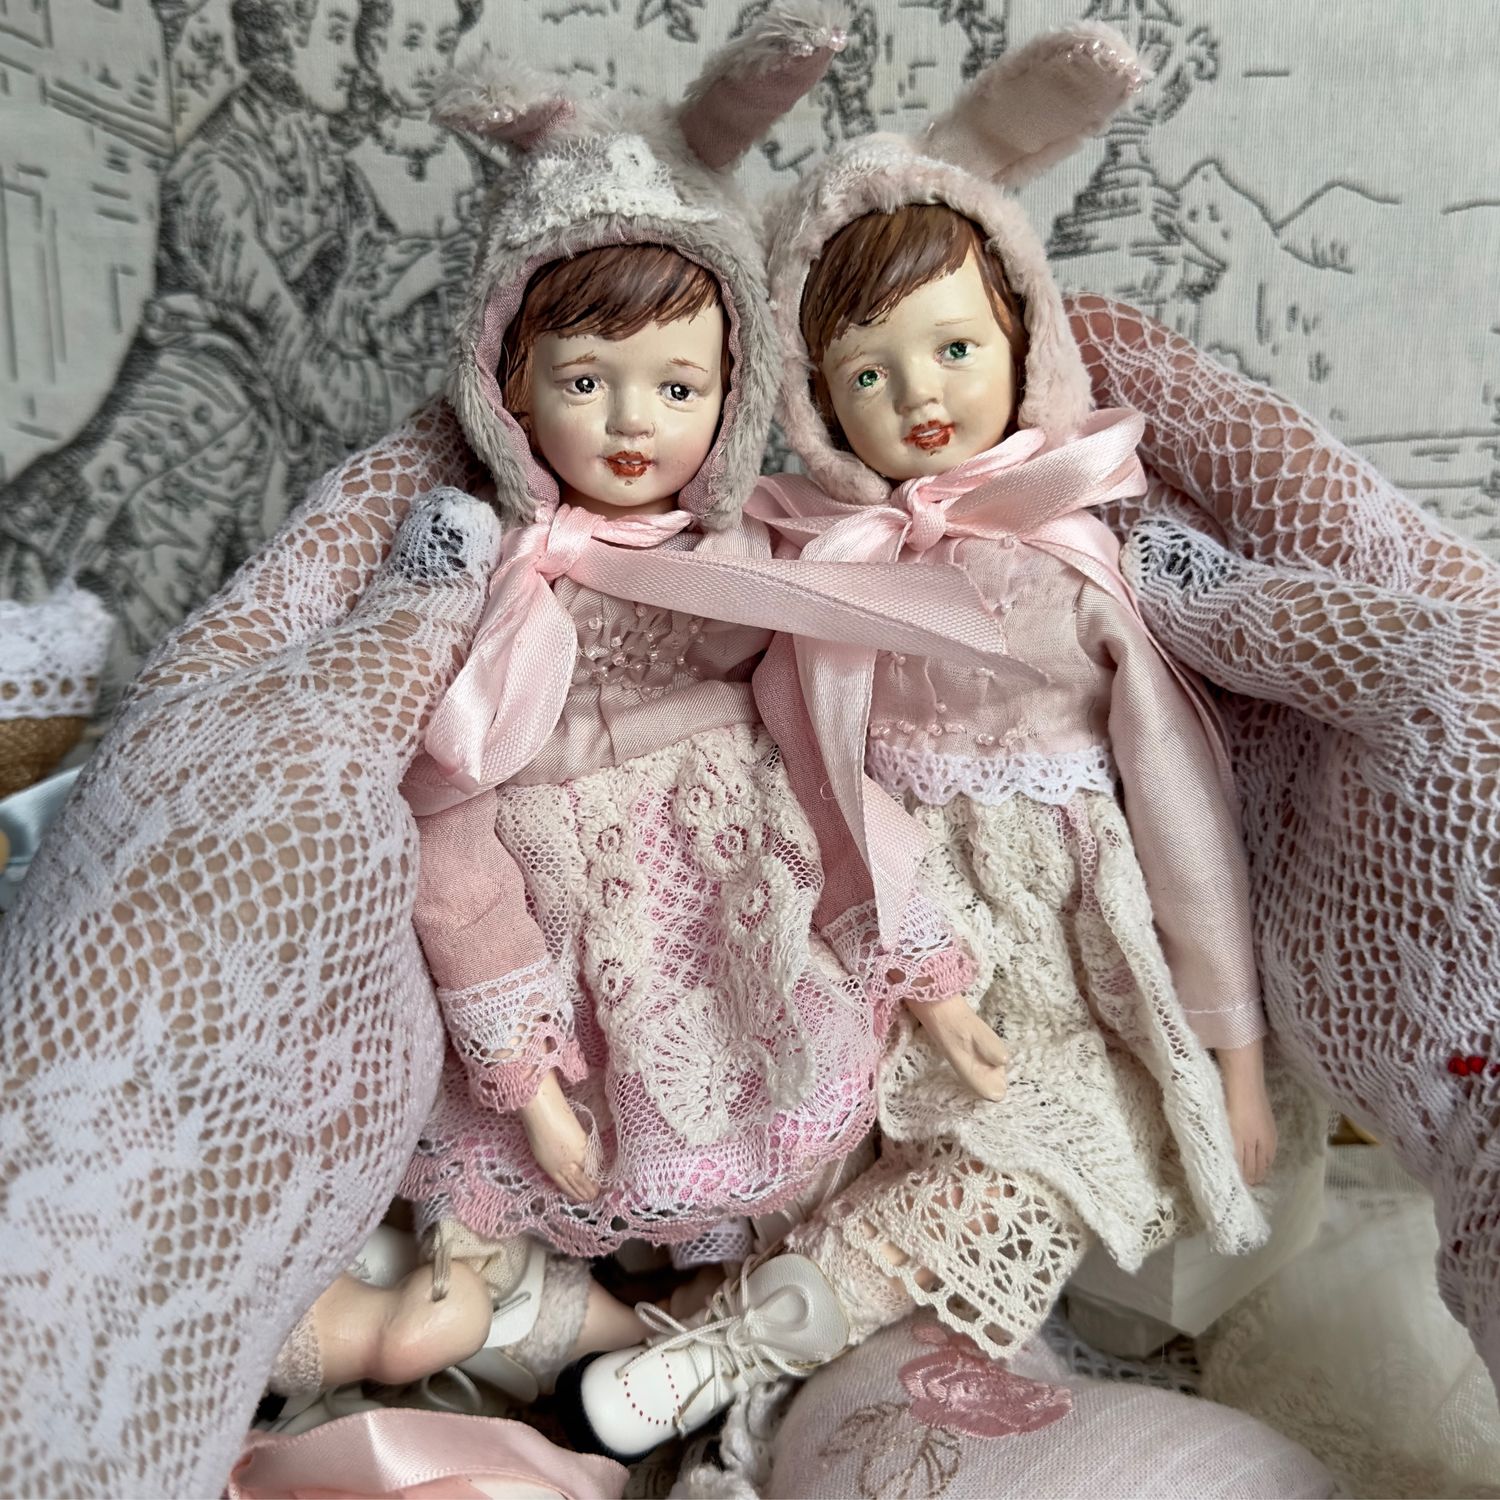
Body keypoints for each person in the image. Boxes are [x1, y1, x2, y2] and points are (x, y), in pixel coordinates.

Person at [1, 55, 1494, 1500]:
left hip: (789, 911)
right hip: (580, 935)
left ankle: (697, 1338)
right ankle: (523, 1320)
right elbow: (452, 810)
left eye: (679, 383)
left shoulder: (811, 566)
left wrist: (939, 967)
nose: (632, 424)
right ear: (508, 387)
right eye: (586, 381)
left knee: (904, 1156)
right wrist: (522, 1057)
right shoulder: (518, 586)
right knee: (573, 1191)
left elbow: (839, 771)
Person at [566, 24, 1282, 1460]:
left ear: (1025, 339)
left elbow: (1180, 808)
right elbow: (801, 760)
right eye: (867, 375)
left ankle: (741, 1342)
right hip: (880, 921)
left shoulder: (1069, 566)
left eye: (955, 349)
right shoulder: (825, 568)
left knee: (1033, 1153)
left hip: (1069, 949)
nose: (923, 399)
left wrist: (1236, 1048)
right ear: (812, 399)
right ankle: (695, 1318)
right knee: (826, 1133)